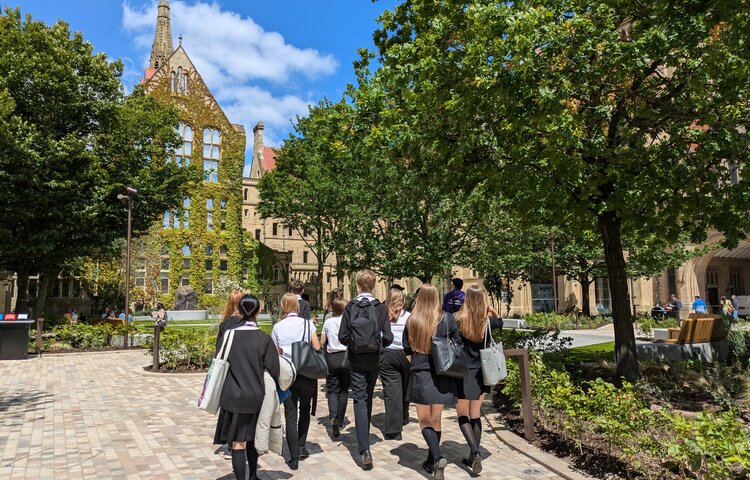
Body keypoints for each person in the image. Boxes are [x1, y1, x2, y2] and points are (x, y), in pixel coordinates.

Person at [214, 294, 280, 480]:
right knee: (252, 439)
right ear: (258, 311)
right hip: (256, 395)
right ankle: (253, 476)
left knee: (238, 442)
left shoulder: (229, 335)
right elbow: (274, 369)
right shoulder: (264, 338)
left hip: (233, 395)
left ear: (239, 310)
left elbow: (218, 360)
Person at [402, 283, 460, 480]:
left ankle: (436, 457)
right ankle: (431, 462)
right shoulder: (447, 318)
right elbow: (457, 343)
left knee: (424, 420)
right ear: (437, 298)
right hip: (442, 372)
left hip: (420, 371)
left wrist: (419, 360)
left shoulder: (412, 320)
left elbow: (407, 349)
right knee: (436, 419)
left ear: (420, 298)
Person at [338, 269, 393, 470]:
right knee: (367, 396)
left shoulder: (351, 306)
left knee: (359, 399)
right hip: (374, 359)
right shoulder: (380, 308)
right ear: (373, 284)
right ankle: (365, 439)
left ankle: (364, 449)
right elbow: (388, 338)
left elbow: (342, 336)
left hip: (356, 359)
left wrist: (355, 342)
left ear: (359, 284)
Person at [454, 285, 503, 475]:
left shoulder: (458, 319)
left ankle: (474, 453)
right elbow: (502, 322)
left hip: (463, 373)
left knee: (463, 415)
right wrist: (492, 311)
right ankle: (474, 454)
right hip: (482, 373)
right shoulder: (488, 322)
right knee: (475, 414)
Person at [271, 293, 321, 469]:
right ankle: (301, 446)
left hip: (287, 374)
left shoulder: (278, 327)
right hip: (306, 372)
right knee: (305, 409)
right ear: (297, 307)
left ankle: (292, 457)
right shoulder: (307, 324)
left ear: (283, 307)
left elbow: (275, 353)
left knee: (290, 415)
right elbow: (317, 346)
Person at [380, 286, 411, 441]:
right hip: (406, 355)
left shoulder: (383, 316)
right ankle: (404, 415)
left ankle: (394, 429)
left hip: (388, 354)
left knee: (392, 391)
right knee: (405, 388)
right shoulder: (409, 317)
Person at [320, 297, 349, 439]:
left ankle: (333, 417)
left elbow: (321, 342)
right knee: (344, 390)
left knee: (332, 389)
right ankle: (340, 418)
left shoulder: (328, 322)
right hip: (346, 357)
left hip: (332, 357)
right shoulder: (348, 322)